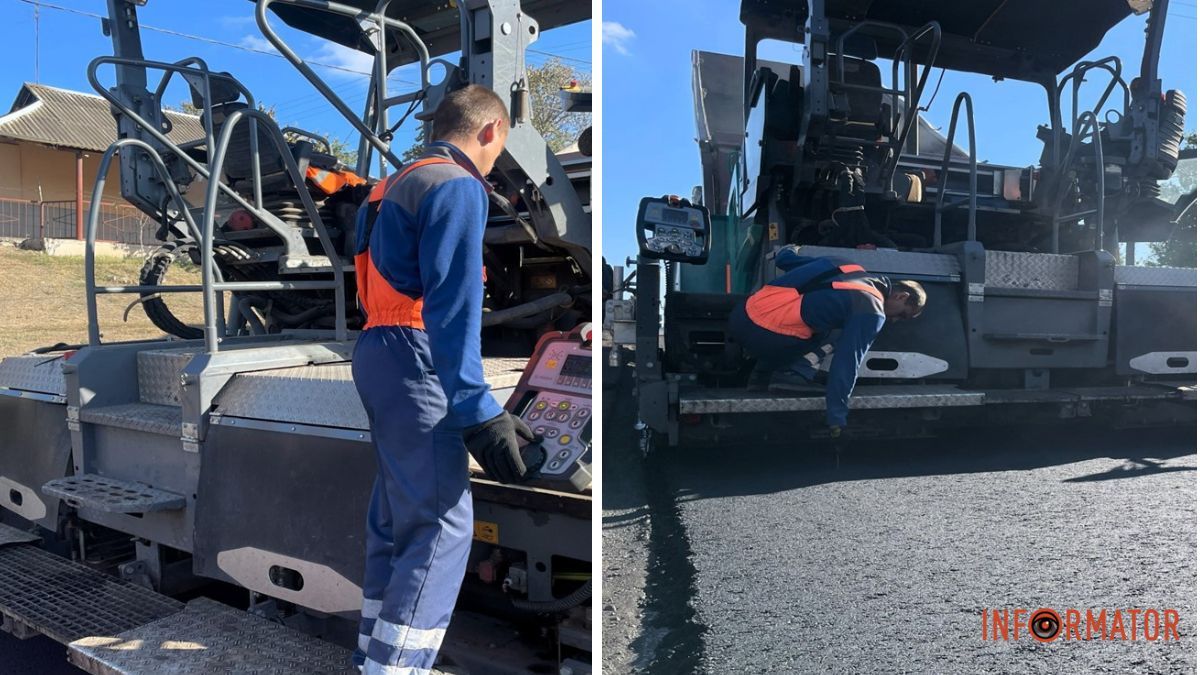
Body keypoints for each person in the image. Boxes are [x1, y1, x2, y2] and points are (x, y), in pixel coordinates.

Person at [350, 84, 534, 674]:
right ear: (491, 132)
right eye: (497, 151)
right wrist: (480, 411)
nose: (493, 164)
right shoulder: (457, 186)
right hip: (415, 351)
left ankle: (374, 657)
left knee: (395, 518)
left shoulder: (391, 183)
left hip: (376, 348)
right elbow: (452, 310)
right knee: (440, 527)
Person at [728, 247, 926, 436]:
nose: (895, 320)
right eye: (902, 315)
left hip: (741, 315)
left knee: (808, 319)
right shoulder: (871, 309)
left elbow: (784, 260)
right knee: (833, 333)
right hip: (766, 336)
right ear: (901, 296)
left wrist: (790, 249)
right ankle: (791, 375)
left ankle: (760, 377)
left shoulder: (846, 265)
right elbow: (847, 363)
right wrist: (836, 417)